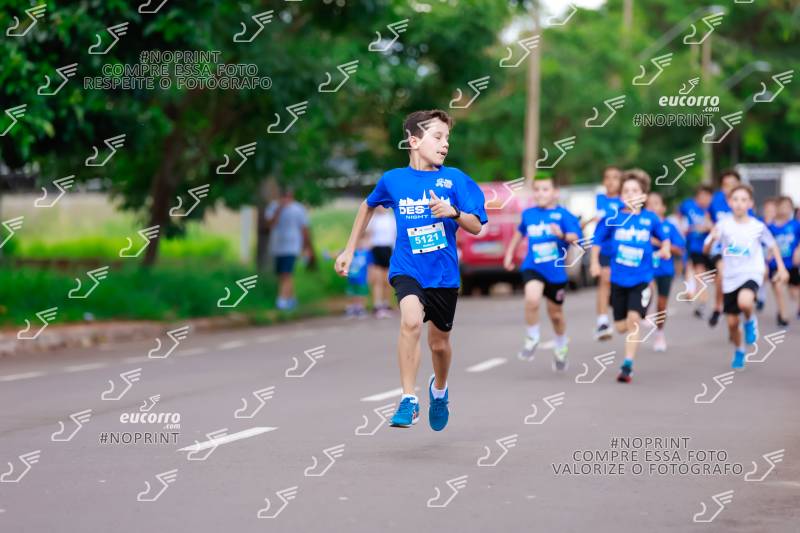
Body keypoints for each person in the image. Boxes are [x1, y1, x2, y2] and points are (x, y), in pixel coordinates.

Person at [334, 109, 487, 430]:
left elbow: (476, 226)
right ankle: (408, 399)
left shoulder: (454, 179)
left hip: (443, 275)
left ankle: (439, 390)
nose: (445, 144)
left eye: (447, 138)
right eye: (438, 137)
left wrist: (453, 212)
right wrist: (349, 249)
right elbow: (368, 205)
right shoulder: (393, 180)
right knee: (411, 321)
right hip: (407, 268)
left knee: (439, 345)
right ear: (414, 141)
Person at [590, 169, 671, 383]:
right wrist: (595, 263)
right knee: (620, 326)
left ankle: (627, 366)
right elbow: (597, 241)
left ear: (643, 195)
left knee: (633, 321)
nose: (630, 194)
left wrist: (665, 249)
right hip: (618, 279)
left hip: (641, 278)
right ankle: (633, 317)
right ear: (620, 195)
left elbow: (664, 238)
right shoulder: (613, 217)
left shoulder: (650, 219)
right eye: (626, 191)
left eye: (635, 191)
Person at [704, 184, 789, 369]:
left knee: (745, 302)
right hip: (730, 277)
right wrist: (712, 239)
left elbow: (772, 245)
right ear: (729, 202)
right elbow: (706, 249)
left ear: (750, 203)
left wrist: (781, 268)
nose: (739, 203)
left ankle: (750, 320)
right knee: (732, 324)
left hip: (752, 272)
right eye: (735, 199)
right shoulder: (723, 225)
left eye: (743, 200)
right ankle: (739, 349)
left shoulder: (757, 226)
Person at [502, 176, 581, 371]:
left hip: (555, 272)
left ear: (555, 192)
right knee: (532, 300)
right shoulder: (529, 214)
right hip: (533, 267)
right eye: (536, 189)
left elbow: (575, 237)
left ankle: (560, 345)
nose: (540, 193)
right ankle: (532, 337)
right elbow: (519, 233)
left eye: (545, 189)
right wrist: (510, 254)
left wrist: (561, 234)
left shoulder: (564, 215)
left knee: (556, 315)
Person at [646, 191, 686, 352]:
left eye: (655, 203)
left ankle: (659, 333)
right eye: (648, 204)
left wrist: (659, 243)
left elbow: (679, 249)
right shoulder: (642, 224)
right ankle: (645, 312)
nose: (652, 207)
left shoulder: (669, 227)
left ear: (663, 208)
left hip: (664, 270)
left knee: (662, 304)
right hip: (646, 268)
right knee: (646, 290)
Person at [706, 170, 746, 328]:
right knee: (722, 273)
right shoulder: (716, 199)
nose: (729, 187)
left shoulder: (743, 202)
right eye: (725, 184)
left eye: (732, 184)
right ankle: (718, 308)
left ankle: (738, 307)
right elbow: (708, 216)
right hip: (719, 248)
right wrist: (711, 228)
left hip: (738, 248)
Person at [265, 186, 313, 311]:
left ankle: (281, 300)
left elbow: (304, 229)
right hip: (277, 246)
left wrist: (306, 247)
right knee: (282, 275)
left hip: (292, 246)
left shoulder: (298, 209)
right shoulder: (273, 207)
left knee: (287, 273)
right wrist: (279, 209)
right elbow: (270, 224)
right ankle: (292, 299)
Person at [591, 166, 624, 341]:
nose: (611, 181)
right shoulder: (599, 199)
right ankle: (602, 322)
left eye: (615, 177)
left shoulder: (625, 201)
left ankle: (617, 304)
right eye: (608, 177)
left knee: (615, 284)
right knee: (604, 280)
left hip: (622, 249)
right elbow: (595, 221)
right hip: (603, 248)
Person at [678, 185, 714, 318]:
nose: (704, 199)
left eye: (707, 197)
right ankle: (701, 302)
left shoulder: (712, 209)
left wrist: (707, 228)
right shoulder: (688, 205)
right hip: (694, 247)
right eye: (702, 196)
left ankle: (718, 304)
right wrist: (683, 227)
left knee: (713, 277)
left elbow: (717, 227)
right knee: (698, 272)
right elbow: (679, 215)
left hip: (711, 248)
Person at [767, 196, 800, 326]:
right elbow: (765, 244)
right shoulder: (770, 227)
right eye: (782, 206)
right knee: (778, 286)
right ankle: (782, 314)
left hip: (792, 263)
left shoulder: (795, 225)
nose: (785, 209)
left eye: (788, 207)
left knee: (794, 291)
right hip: (776, 264)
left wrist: (798, 250)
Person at [366, 206, 396, 318]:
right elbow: (368, 235)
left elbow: (395, 236)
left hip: (388, 249)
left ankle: (386, 304)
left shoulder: (392, 218)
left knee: (387, 279)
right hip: (376, 249)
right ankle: (377, 305)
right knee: (377, 280)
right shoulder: (373, 219)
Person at [345, 235, 372, 319]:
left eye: (362, 242)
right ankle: (352, 307)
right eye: (358, 242)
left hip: (362, 278)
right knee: (351, 293)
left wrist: (369, 276)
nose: (360, 244)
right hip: (351, 278)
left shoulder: (366, 253)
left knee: (362, 293)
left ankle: (360, 308)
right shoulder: (351, 253)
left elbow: (370, 266)